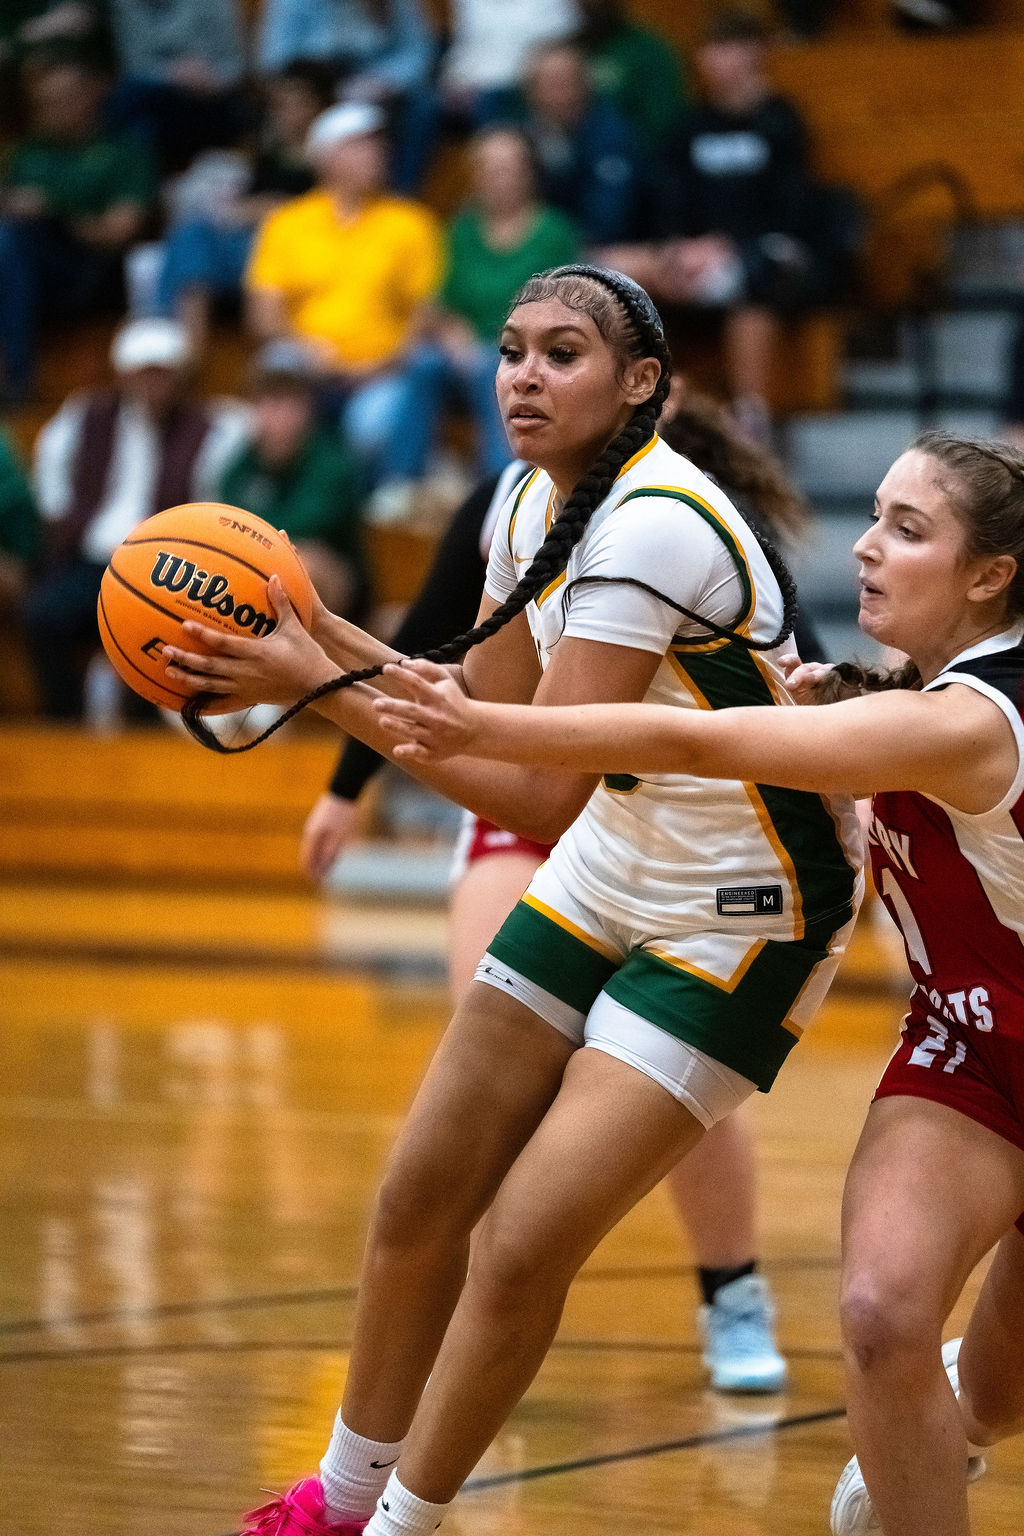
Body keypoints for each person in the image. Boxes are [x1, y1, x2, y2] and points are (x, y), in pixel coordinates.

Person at [159, 263, 861, 1536]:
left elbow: (529, 791)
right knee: (420, 1194)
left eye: (561, 354)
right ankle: (340, 1499)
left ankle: (402, 1526)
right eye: (510, 350)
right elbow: (476, 710)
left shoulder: (653, 525)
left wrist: (312, 674)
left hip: (743, 904)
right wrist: (320, 637)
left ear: (638, 383)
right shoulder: (526, 499)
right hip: (613, 852)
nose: (523, 378)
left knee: (521, 1242)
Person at [370, 429, 1024, 1536]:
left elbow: (701, 744)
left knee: (996, 1401)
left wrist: (482, 724)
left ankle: (945, 1415)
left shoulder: (965, 721)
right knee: (878, 1313)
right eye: (873, 515)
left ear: (988, 576)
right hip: (967, 1055)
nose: (864, 547)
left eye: (906, 530)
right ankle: (917, 1424)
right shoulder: (910, 686)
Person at [601, 6, 854, 443]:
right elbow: (670, 199)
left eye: (728, 47)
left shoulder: (780, 122)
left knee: (755, 280)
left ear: (755, 52)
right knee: (607, 269)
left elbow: (787, 208)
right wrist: (677, 247)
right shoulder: (691, 126)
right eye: (711, 49)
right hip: (694, 255)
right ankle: (622, 406)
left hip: (756, 252)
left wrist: (727, 245)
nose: (717, 60)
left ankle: (750, 420)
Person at [23, 316, 248, 719]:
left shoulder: (209, 428)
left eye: (161, 373)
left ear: (179, 376)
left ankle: (140, 727)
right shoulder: (87, 415)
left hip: (165, 570)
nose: (152, 383)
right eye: (143, 372)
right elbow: (50, 464)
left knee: (161, 634)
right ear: (124, 375)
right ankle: (65, 722)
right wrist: (65, 520)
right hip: (92, 557)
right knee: (43, 614)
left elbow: (212, 497)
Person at [244, 99, 443, 509]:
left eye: (378, 144)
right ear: (326, 157)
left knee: (373, 423)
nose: (376, 153)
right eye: (360, 144)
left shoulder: (411, 223)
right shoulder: (288, 222)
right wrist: (302, 346)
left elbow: (424, 316)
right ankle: (270, 498)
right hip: (306, 361)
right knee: (277, 370)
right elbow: (263, 313)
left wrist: (379, 366)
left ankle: (361, 511)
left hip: (381, 369)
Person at [398, 127, 580, 486]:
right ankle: (400, 486)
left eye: (509, 168)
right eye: (490, 170)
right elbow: (439, 303)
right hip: (463, 352)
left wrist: (508, 346)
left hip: (526, 354)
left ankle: (502, 484)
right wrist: (452, 332)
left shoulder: (554, 232)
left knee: (491, 369)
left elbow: (565, 310)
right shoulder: (461, 231)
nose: (499, 179)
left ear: (528, 174)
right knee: (423, 364)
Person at [0, 54, 156, 405]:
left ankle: (17, 381)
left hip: (88, 270)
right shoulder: (29, 152)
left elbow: (119, 231)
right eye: (46, 102)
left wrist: (54, 212)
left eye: (63, 99)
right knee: (8, 244)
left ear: (90, 96)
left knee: (8, 245)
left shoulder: (122, 151)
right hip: (24, 268)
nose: (53, 109)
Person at [155, 61, 335, 356]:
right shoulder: (268, 157)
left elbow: (336, 210)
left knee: (198, 242)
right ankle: (181, 349)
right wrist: (241, 208)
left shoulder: (332, 160)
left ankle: (184, 355)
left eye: (297, 104)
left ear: (320, 108)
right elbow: (247, 201)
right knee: (192, 233)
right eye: (280, 105)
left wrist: (275, 208)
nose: (287, 114)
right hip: (252, 241)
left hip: (298, 249)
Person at [217, 341, 369, 620]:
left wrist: (249, 532)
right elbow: (223, 514)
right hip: (258, 564)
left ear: (308, 406)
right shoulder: (244, 459)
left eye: (287, 399)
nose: (277, 412)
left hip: (334, 580)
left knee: (300, 563)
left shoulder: (330, 460)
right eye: (267, 398)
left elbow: (305, 526)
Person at [255, 0, 439, 195]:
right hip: (315, 80)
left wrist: (385, 81)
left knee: (423, 106)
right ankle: (295, 190)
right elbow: (274, 58)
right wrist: (323, 78)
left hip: (376, 83)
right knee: (293, 102)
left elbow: (417, 52)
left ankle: (400, 194)